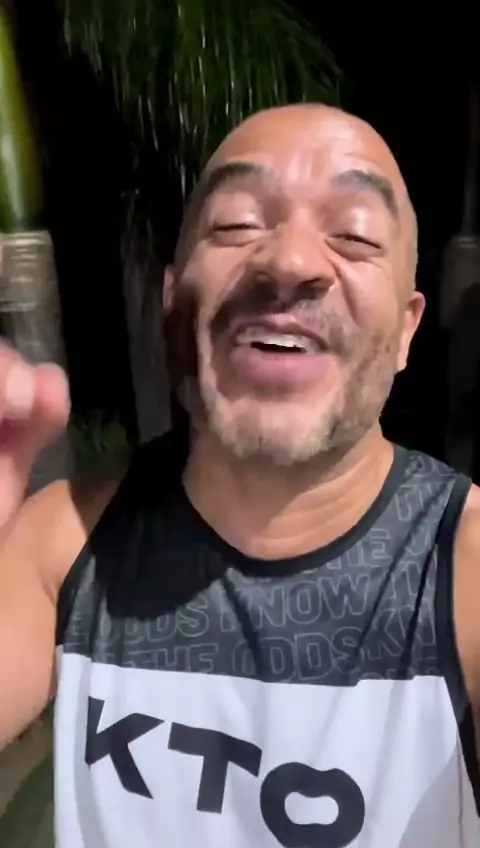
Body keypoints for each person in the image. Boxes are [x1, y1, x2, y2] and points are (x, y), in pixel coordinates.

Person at [0, 103, 479, 848]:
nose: (289, 262)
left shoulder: (464, 567)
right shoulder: (65, 545)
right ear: (172, 298)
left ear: (407, 331)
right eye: (236, 225)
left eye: (353, 235)